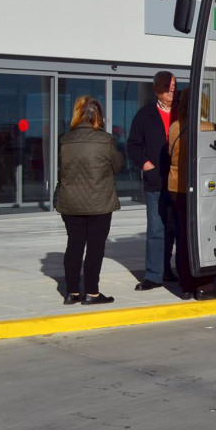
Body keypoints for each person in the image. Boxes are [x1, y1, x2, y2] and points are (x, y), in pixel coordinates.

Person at [55, 96, 123, 305]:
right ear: (99, 116)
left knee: (74, 245)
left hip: (70, 202)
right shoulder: (106, 140)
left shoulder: (65, 140)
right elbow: (118, 166)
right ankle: (92, 293)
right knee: (95, 248)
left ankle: (72, 292)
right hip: (99, 202)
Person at [126, 71, 177, 290]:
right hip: (155, 182)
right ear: (158, 89)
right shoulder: (144, 115)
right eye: (169, 87)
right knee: (156, 229)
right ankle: (154, 275)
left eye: (174, 86)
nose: (173, 90)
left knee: (174, 229)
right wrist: (148, 167)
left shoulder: (182, 113)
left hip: (178, 182)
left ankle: (168, 269)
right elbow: (133, 146)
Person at [167, 89, 216, 300]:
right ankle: (204, 284)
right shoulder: (209, 128)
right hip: (201, 190)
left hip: (176, 187)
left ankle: (186, 284)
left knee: (183, 235)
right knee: (204, 235)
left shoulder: (174, 127)